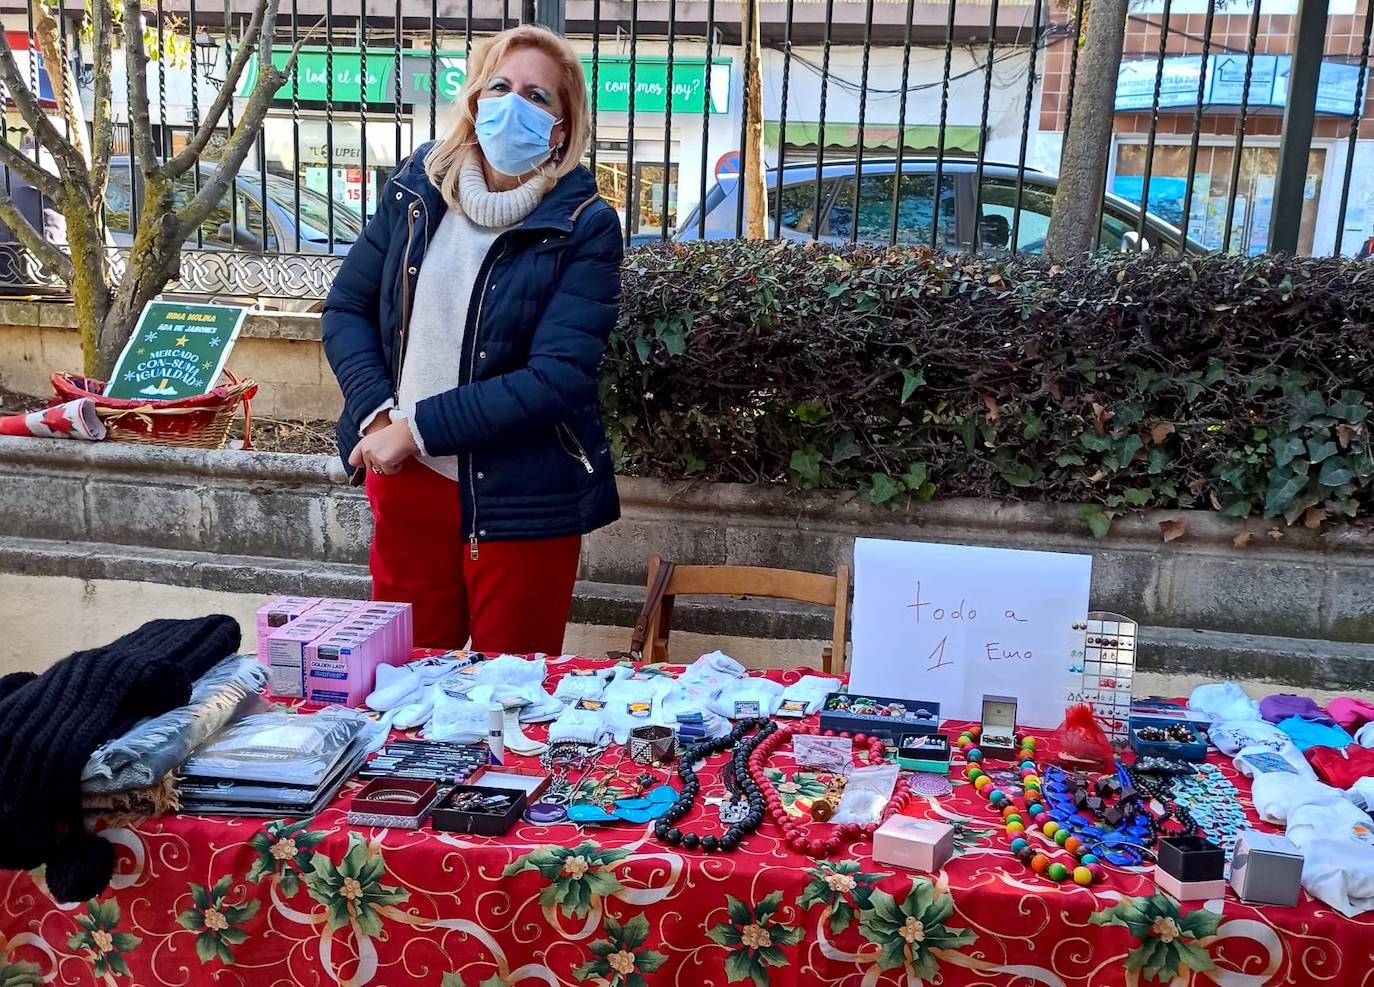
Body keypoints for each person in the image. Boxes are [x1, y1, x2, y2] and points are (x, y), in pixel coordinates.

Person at [322, 25, 623, 654]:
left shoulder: (584, 224)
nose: (514, 104)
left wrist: (420, 425)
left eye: (538, 97)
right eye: (501, 86)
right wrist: (379, 413)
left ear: (562, 128)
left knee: (507, 699)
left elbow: (558, 376)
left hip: (523, 498)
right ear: (476, 99)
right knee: (401, 694)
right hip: (406, 479)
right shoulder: (417, 190)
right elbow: (346, 308)